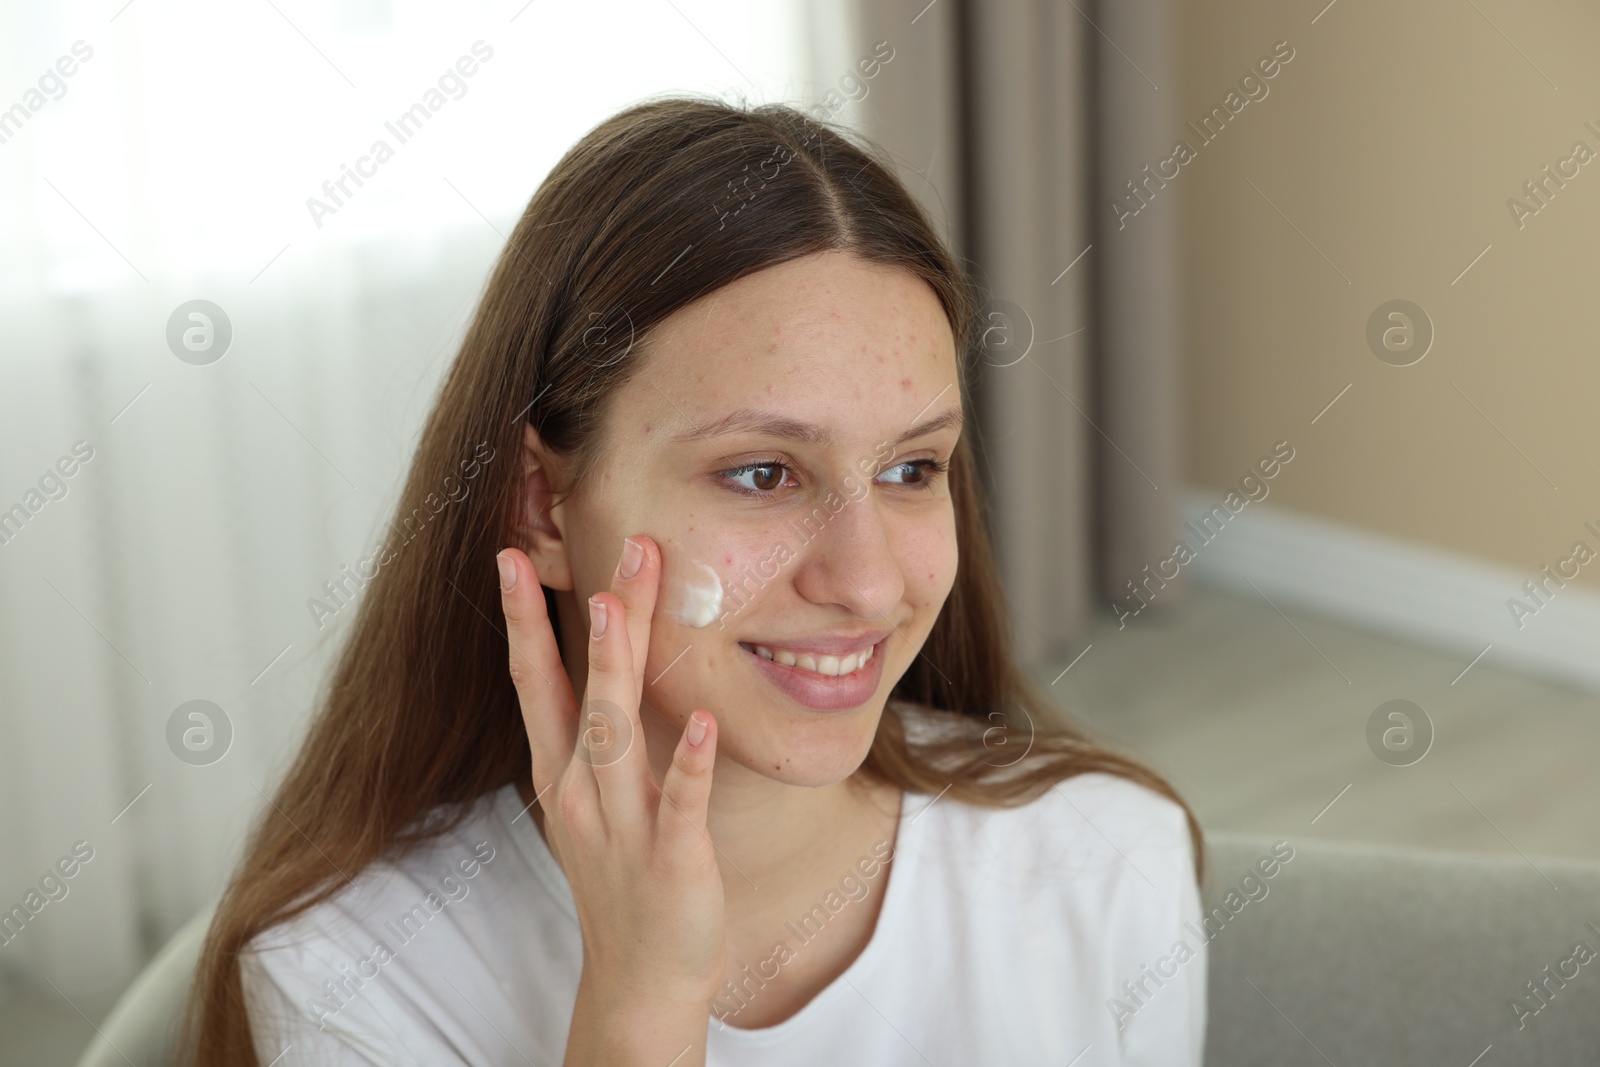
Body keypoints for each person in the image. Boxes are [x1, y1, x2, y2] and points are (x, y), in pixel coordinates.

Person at [181, 96, 1207, 1066]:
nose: (865, 580)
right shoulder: (349, 978)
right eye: (762, 472)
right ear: (542, 506)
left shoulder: (1110, 857)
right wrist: (639, 1009)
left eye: (911, 468)